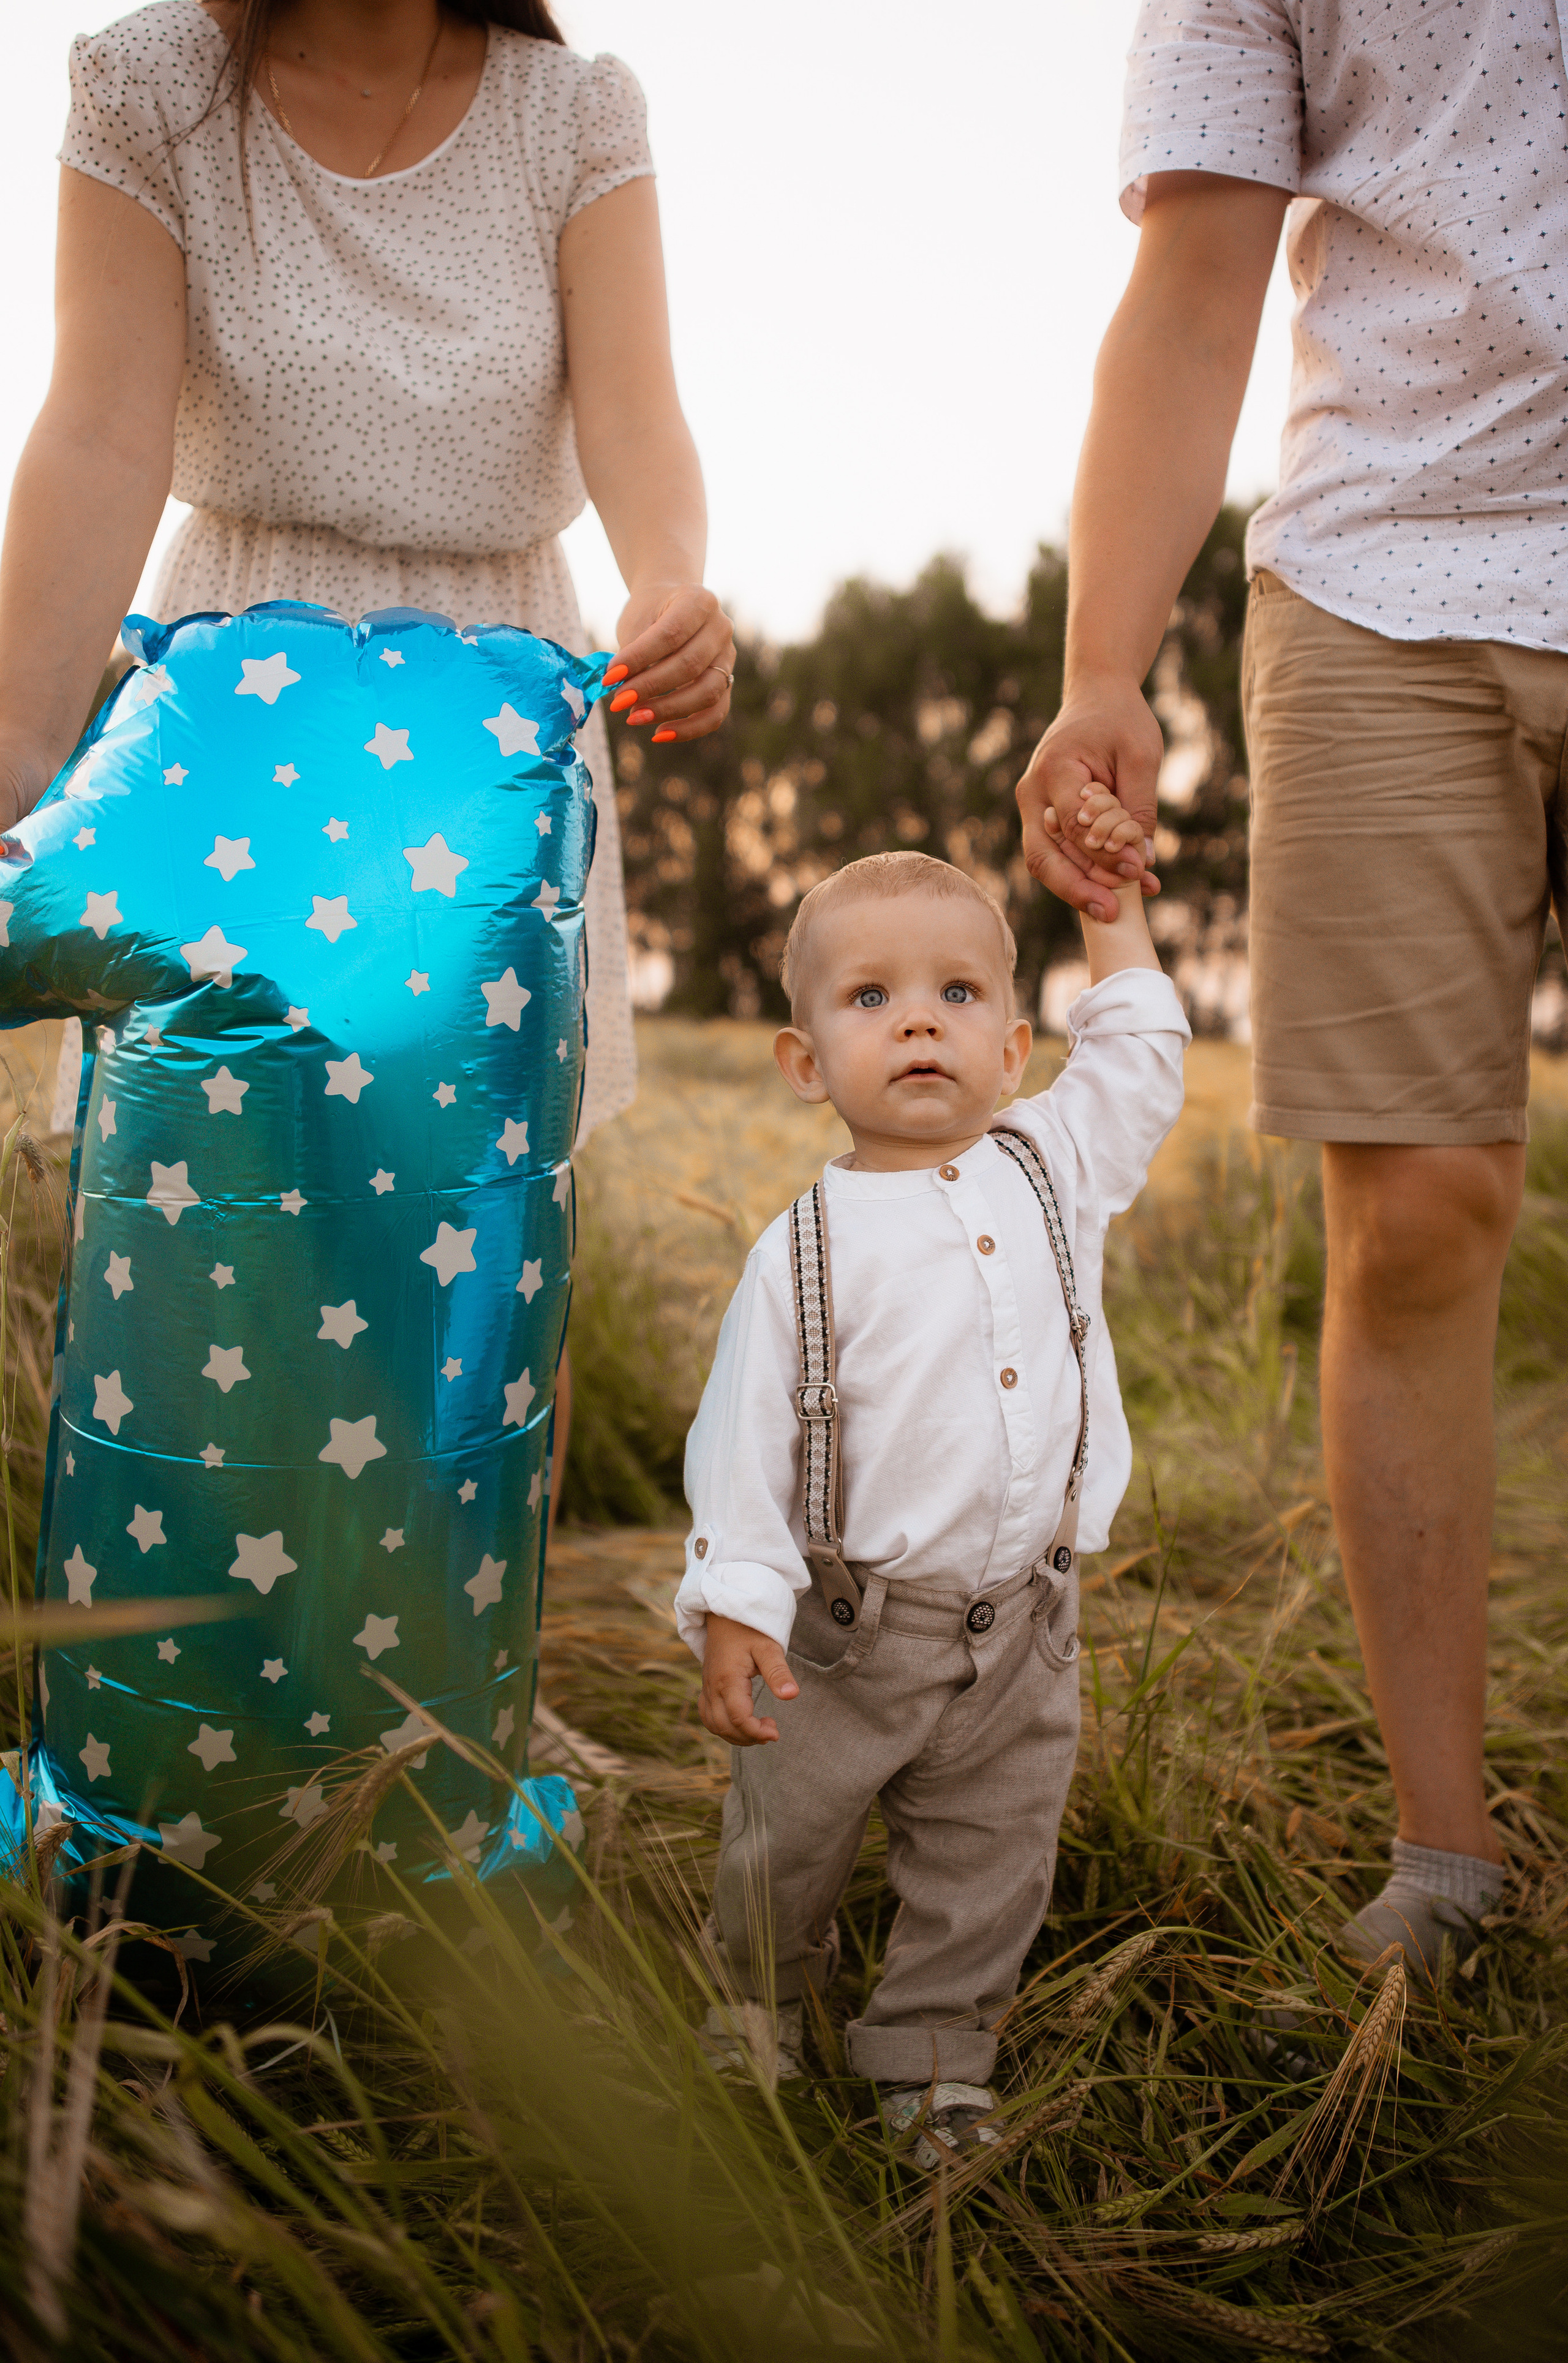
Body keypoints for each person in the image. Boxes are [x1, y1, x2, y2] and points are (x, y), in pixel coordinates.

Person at [1015, 0, 1568, 1972]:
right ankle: (1451, 1854)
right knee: (1417, 1211)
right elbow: (1194, 286)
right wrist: (1107, 667)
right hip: (1385, 578)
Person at [1, 0, 734, 1485]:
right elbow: (99, 433)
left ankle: (459, 1702)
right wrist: (16, 756)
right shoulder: (151, 85)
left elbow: (638, 418)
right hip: (233, 708)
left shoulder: (575, 113)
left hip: (494, 716)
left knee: (488, 1230)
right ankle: (210, 1687)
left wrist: (671, 582)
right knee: (203, 1196)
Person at [674, 847, 1188, 2157]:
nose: (916, 1020)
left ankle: (934, 2057)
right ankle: (751, 2001)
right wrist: (737, 1607)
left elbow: (1135, 1053)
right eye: (869, 999)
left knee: (989, 1856)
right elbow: (742, 1441)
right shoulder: (801, 1249)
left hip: (1025, 1622)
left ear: (1012, 1047)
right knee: (782, 1840)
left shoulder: (1051, 1166)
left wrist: (1110, 915)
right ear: (805, 1065)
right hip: (849, 1635)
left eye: (956, 993)